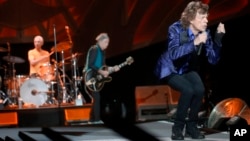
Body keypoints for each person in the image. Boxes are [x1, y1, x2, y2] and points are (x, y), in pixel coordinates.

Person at [154, 1, 225, 140]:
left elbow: (213, 60)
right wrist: (195, 42)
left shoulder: (205, 33)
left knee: (199, 90)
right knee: (188, 90)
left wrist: (218, 38)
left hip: (187, 68)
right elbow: (174, 53)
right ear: (191, 19)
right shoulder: (175, 29)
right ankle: (177, 129)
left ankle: (191, 128)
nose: (206, 20)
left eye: (207, 17)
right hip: (170, 68)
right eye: (202, 17)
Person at [83, 33, 120, 124]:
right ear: (100, 42)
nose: (107, 45)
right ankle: (96, 119)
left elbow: (103, 66)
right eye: (106, 42)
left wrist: (112, 68)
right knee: (97, 97)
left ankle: (92, 119)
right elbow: (91, 64)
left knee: (96, 98)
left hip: (96, 75)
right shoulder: (94, 49)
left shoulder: (103, 52)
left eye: (108, 43)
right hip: (90, 76)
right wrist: (101, 72)